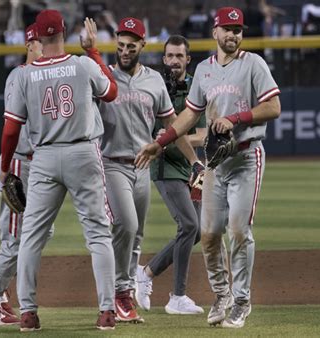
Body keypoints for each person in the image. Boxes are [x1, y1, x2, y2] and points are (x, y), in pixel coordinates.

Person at [136, 7, 281, 329]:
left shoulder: (253, 64)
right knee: (210, 234)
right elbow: (188, 116)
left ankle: (242, 301)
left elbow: (273, 106)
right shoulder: (204, 70)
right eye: (227, 29)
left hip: (246, 156)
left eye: (238, 29)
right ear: (215, 32)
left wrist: (235, 119)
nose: (233, 34)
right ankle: (222, 295)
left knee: (239, 232)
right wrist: (159, 143)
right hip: (217, 162)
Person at [0, 10, 118, 331]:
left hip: (45, 158)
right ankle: (107, 311)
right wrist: (92, 49)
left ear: (36, 36)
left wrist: (6, 165)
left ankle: (28, 313)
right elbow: (111, 93)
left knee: (31, 238)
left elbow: (11, 130)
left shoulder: (24, 75)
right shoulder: (82, 63)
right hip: (83, 153)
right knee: (97, 234)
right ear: (65, 32)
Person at [97, 18, 200, 323]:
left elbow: (173, 127)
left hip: (141, 166)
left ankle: (125, 295)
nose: (125, 50)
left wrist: (195, 161)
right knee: (126, 226)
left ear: (142, 45)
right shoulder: (104, 78)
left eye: (131, 45)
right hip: (112, 163)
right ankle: (118, 292)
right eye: (121, 45)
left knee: (137, 234)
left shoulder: (154, 80)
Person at [0, 23, 48, 327]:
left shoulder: (44, 74)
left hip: (35, 165)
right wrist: (6, 169)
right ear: (30, 45)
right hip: (18, 162)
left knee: (38, 233)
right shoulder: (20, 75)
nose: (46, 46)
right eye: (41, 42)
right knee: (17, 240)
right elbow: (13, 126)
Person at [135, 35, 206, 315]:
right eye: (170, 56)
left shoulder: (195, 88)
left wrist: (175, 136)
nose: (174, 61)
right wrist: (160, 138)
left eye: (180, 56)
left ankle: (147, 273)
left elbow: (203, 133)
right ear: (164, 59)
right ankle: (177, 296)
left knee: (196, 230)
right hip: (165, 166)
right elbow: (148, 131)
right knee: (189, 225)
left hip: (193, 165)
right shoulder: (155, 87)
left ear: (188, 59)